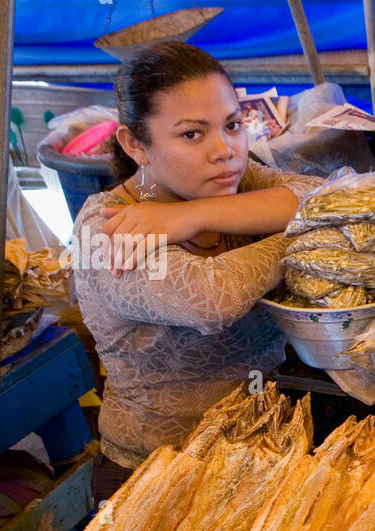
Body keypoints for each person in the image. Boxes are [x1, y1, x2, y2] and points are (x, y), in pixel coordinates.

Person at [72, 41, 323, 500]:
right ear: (135, 144)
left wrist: (197, 214)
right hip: (155, 476)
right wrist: (306, 236)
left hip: (263, 450)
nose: (224, 150)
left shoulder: (235, 182)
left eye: (232, 125)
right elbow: (211, 300)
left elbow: (333, 199)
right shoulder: (105, 226)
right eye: (192, 134)